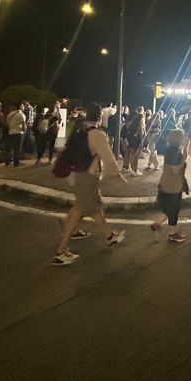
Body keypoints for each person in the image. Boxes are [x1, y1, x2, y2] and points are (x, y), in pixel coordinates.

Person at [52, 104, 127, 266]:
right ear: (100, 117)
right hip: (87, 177)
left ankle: (109, 236)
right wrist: (118, 175)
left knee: (95, 208)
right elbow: (108, 157)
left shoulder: (80, 130)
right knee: (80, 210)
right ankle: (61, 251)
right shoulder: (97, 134)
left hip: (78, 175)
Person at [150, 129, 187, 243]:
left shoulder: (170, 150)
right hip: (173, 187)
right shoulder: (175, 152)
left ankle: (157, 224)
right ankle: (172, 234)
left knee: (169, 208)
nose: (184, 138)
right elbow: (175, 170)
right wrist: (184, 159)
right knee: (173, 211)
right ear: (178, 139)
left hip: (167, 184)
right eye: (183, 137)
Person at [123, 109, 145, 176]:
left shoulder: (127, 121)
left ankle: (130, 168)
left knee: (130, 154)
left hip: (129, 138)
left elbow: (126, 129)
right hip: (137, 139)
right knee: (135, 156)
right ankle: (135, 171)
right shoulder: (138, 121)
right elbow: (141, 132)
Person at [4, 102, 26, 167]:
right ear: (20, 106)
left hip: (11, 132)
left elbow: (7, 123)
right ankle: (16, 163)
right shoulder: (21, 114)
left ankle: (8, 162)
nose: (24, 107)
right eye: (23, 105)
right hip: (19, 133)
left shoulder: (10, 114)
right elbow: (24, 126)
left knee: (10, 148)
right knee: (17, 148)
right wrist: (23, 131)